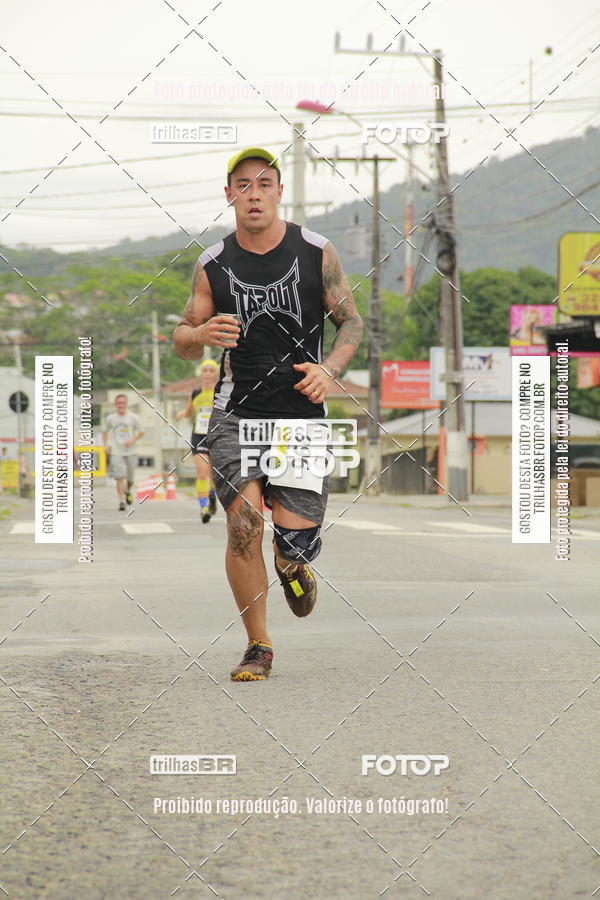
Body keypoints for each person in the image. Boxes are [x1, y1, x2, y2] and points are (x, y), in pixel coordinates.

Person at [173, 146, 363, 682]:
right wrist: (200, 334)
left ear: (279, 191)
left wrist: (330, 370)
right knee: (243, 525)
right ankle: (258, 646)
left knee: (291, 544)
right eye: (243, 185)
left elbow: (351, 323)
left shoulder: (316, 251)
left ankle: (291, 562)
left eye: (263, 184)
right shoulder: (213, 263)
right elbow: (182, 338)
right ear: (229, 194)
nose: (253, 194)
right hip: (236, 412)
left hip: (299, 416)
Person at [176, 358, 219, 523]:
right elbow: (189, 412)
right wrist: (182, 414)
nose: (207, 374)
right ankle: (204, 508)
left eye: (211, 371)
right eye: (205, 370)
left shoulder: (219, 392)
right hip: (199, 436)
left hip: (215, 436)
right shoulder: (195, 393)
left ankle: (212, 496)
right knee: (202, 473)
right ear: (201, 374)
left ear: (216, 374)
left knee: (214, 475)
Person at [102, 394, 144, 511]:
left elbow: (141, 432)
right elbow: (104, 432)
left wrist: (132, 440)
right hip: (116, 451)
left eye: (123, 403)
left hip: (131, 451)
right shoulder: (111, 418)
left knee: (130, 479)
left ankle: (128, 490)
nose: (121, 405)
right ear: (116, 405)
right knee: (119, 476)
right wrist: (106, 445)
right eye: (119, 403)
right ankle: (121, 501)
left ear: (126, 404)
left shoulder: (133, 417)